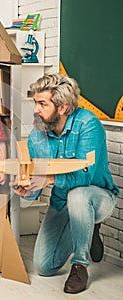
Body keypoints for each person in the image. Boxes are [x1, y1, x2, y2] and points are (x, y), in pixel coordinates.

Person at [10, 73, 119, 294]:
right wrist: (26, 189)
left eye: (42, 104)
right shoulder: (37, 135)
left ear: (62, 107)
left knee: (78, 194)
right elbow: (34, 183)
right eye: (35, 103)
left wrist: (49, 178)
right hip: (61, 201)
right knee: (44, 266)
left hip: (97, 197)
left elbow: (84, 177)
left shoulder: (89, 125)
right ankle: (88, 230)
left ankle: (80, 265)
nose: (36, 110)